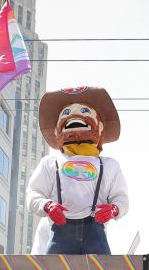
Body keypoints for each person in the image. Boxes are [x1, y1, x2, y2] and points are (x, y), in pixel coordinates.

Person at [26, 86, 130, 255]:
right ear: (56, 131)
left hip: (95, 234)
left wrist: (114, 209)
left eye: (84, 111)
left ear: (100, 128)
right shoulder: (50, 163)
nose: (74, 116)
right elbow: (33, 193)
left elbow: (122, 198)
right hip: (60, 233)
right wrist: (47, 205)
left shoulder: (110, 165)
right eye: (66, 113)